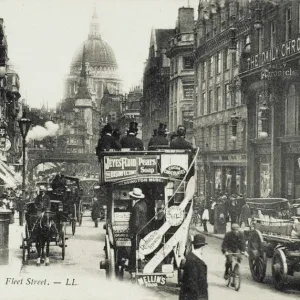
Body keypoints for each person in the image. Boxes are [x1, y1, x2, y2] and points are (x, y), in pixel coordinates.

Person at [180, 234, 208, 300]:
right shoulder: (194, 260)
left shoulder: (191, 257)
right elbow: (192, 283)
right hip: (194, 296)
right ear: (202, 247)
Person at [128, 187, 148, 271]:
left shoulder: (136, 207)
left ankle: (134, 267)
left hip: (137, 231)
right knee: (142, 248)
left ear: (134, 197)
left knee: (134, 249)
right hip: (144, 230)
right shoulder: (144, 204)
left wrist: (132, 233)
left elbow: (135, 222)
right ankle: (141, 265)